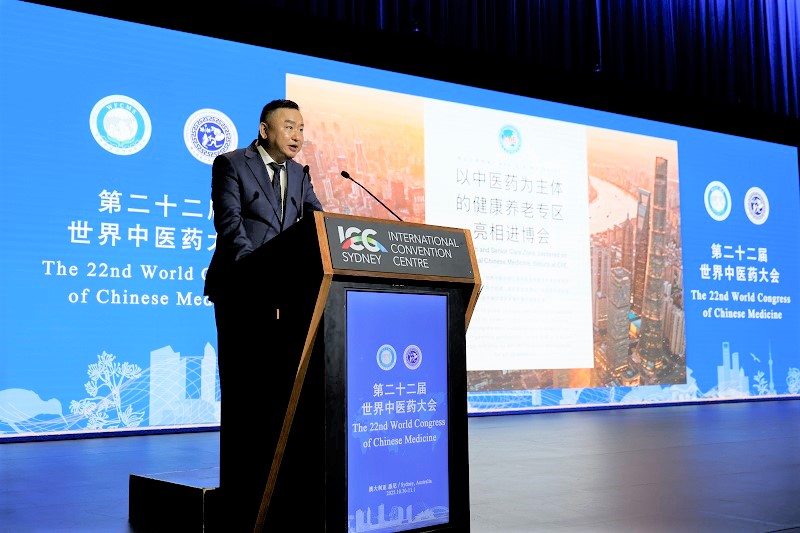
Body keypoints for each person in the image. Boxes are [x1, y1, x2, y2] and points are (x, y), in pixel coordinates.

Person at [203, 98, 323, 530]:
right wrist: (257, 271)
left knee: (279, 389)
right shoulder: (232, 164)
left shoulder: (300, 175)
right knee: (243, 387)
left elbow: (319, 226)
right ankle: (241, 487)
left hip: (286, 297)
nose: (297, 135)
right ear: (264, 129)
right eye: (289, 126)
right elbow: (230, 224)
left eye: (302, 128)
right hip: (241, 291)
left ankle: (277, 483)